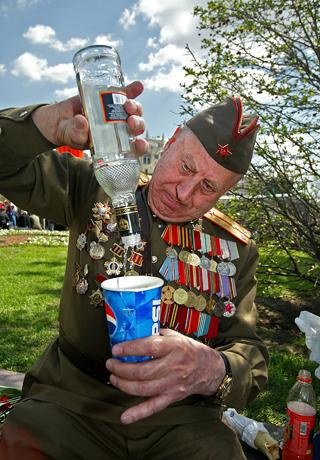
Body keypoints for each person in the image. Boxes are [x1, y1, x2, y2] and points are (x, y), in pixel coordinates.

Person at [0, 81, 268, 460]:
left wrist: (214, 367)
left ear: (224, 193)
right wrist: (47, 123)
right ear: (172, 141)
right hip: (72, 404)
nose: (184, 193)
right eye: (186, 165)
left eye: (208, 186)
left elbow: (250, 353)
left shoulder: (236, 248)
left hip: (181, 421)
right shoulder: (91, 187)